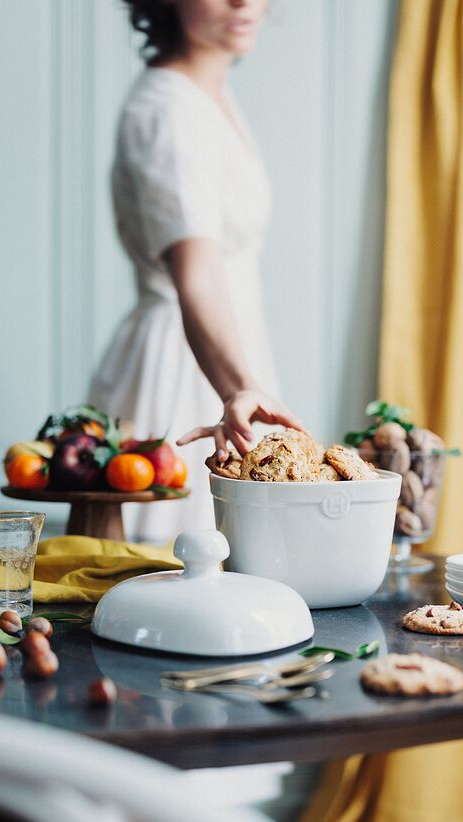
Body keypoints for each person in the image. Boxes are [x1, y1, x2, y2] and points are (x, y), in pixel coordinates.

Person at [88, 0, 303, 543]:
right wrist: (242, 392)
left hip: (232, 355)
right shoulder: (167, 111)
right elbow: (199, 276)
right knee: (174, 571)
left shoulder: (211, 94)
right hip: (180, 373)